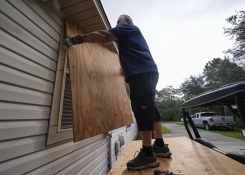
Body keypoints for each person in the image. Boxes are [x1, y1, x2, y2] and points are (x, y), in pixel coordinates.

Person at [64, 14, 172, 171]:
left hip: (141, 72)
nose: (117, 24)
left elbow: (104, 36)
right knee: (150, 107)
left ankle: (148, 154)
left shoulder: (127, 28)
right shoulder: (132, 37)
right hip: (147, 71)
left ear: (126, 22)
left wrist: (77, 39)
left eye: (118, 21)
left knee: (142, 109)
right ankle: (160, 146)